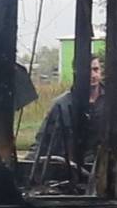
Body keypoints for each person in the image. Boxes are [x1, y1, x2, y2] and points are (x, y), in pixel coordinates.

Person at [34, 51, 103, 184]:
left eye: (95, 69)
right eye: (87, 70)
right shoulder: (61, 105)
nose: (92, 75)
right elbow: (42, 141)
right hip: (66, 177)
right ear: (76, 73)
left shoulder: (112, 104)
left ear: (101, 71)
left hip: (102, 177)